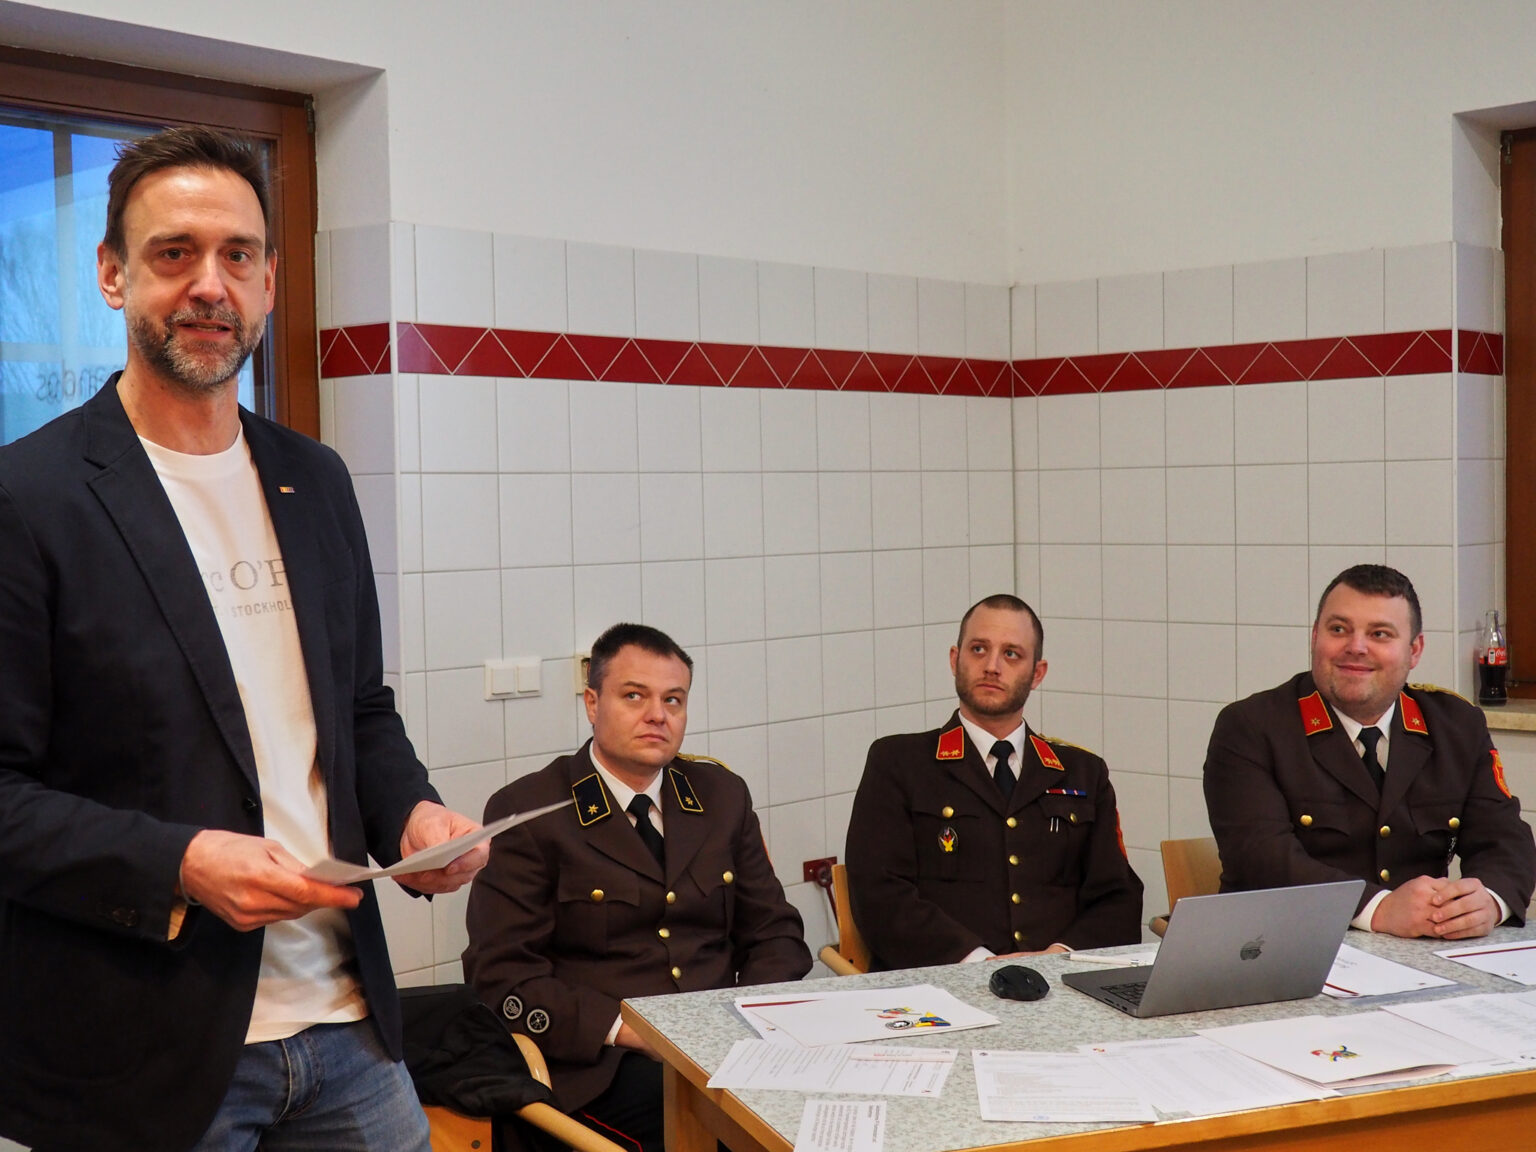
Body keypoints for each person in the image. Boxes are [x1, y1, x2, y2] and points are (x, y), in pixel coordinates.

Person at [0, 126, 487, 1152]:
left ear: (269, 280)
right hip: (144, 1053)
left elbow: (359, 710)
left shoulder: (316, 478)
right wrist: (179, 861)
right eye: (174, 253)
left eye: (238, 255)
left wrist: (412, 816)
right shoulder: (29, 497)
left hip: (350, 1031)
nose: (209, 285)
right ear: (112, 274)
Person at [463, 622, 811, 1152]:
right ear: (592, 703)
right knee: (724, 1134)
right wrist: (631, 1031)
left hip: (729, 1045)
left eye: (673, 700)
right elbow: (502, 976)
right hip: (604, 1063)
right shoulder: (531, 812)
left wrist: (744, 1019)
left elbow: (776, 933)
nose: (657, 715)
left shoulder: (721, 794)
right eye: (634, 696)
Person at [1203, 563, 1536, 939]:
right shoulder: (1252, 727)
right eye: (1338, 629)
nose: (1356, 647)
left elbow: (1506, 840)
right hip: (1285, 947)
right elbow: (1261, 859)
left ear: (1414, 650)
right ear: (1315, 637)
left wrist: (1488, 901)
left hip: (1420, 953)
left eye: (1379, 634)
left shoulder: (1456, 726)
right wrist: (1378, 909)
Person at [844, 594, 1144, 970]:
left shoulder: (1083, 772)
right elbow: (879, 895)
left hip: (1060, 980)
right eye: (978, 649)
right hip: (942, 983)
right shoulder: (899, 763)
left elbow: (1119, 897)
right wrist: (980, 963)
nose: (991, 666)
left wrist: (1057, 958)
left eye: (1011, 654)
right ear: (955, 660)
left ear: (1037, 673)